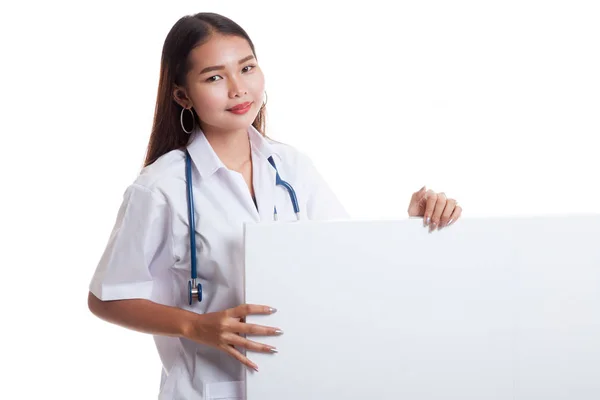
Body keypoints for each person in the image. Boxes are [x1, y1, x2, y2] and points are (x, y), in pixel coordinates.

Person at [87, 11, 462, 400]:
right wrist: (194, 326)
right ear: (182, 95)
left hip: (300, 384)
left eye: (246, 68)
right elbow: (107, 297)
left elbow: (349, 263)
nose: (238, 88)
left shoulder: (292, 167)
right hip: (205, 390)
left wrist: (414, 229)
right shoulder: (160, 188)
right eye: (214, 77)